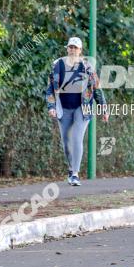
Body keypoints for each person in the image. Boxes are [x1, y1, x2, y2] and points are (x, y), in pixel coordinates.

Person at [46, 37, 108, 186]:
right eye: (71, 47)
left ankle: (75, 174)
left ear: (80, 51)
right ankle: (71, 167)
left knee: (76, 138)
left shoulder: (87, 67)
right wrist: (51, 107)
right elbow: (50, 88)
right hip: (64, 108)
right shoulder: (58, 65)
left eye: (76, 48)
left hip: (83, 108)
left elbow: (97, 88)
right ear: (67, 49)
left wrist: (103, 108)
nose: (73, 50)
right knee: (66, 143)